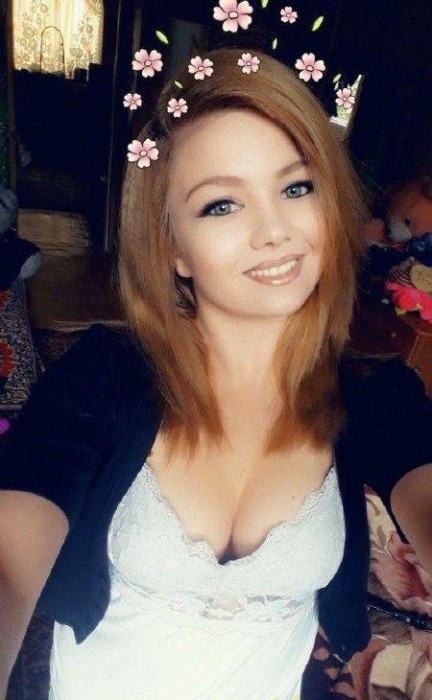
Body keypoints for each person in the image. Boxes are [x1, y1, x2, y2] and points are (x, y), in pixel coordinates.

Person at [1, 47, 432, 700]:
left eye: (296, 187)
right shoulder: (103, 378)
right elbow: (11, 555)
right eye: (221, 205)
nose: (274, 231)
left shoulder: (374, 394)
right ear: (173, 247)